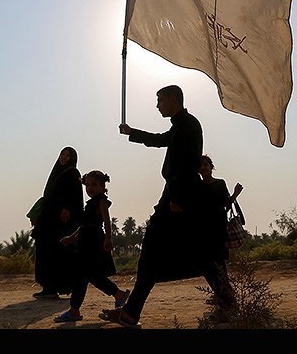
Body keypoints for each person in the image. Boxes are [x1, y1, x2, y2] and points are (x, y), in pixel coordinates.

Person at [100, 84, 205, 328]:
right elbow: (160, 141)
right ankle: (131, 311)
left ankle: (131, 311)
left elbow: (189, 165)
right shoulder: (181, 125)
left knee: (155, 253)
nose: (157, 105)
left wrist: (177, 199)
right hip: (176, 195)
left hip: (179, 197)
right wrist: (131, 132)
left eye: (160, 100)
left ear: (172, 99)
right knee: (170, 254)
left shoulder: (188, 124)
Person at [53, 170, 130, 323]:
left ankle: (75, 310)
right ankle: (118, 294)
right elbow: (83, 226)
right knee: (88, 276)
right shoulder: (89, 204)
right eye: (87, 185)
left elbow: (106, 221)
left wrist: (108, 238)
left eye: (94, 184)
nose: (90, 188)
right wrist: (71, 237)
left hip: (94, 242)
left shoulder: (101, 201)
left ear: (102, 186)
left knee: (85, 276)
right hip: (84, 242)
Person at [31, 146, 84, 299]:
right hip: (49, 220)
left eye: (67, 155)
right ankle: (47, 287)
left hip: (61, 223)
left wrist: (67, 207)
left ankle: (55, 287)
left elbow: (74, 194)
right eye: (62, 154)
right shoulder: (56, 173)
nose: (64, 157)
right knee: (44, 252)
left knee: (56, 253)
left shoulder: (73, 173)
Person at [199, 154, 242, 318]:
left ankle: (227, 306)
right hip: (204, 233)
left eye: (206, 164)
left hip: (218, 232)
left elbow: (226, 204)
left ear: (211, 166)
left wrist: (235, 195)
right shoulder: (197, 187)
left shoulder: (220, 184)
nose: (203, 167)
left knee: (219, 270)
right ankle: (226, 304)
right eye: (201, 165)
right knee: (210, 270)